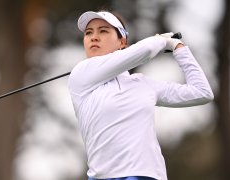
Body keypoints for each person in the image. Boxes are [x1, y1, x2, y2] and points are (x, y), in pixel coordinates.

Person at [68, 10, 214, 180]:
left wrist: (178, 47)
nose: (94, 37)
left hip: (150, 176)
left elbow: (202, 92)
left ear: (122, 42)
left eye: (103, 31)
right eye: (88, 33)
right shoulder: (80, 75)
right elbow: (147, 49)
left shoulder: (143, 84)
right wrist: (161, 40)